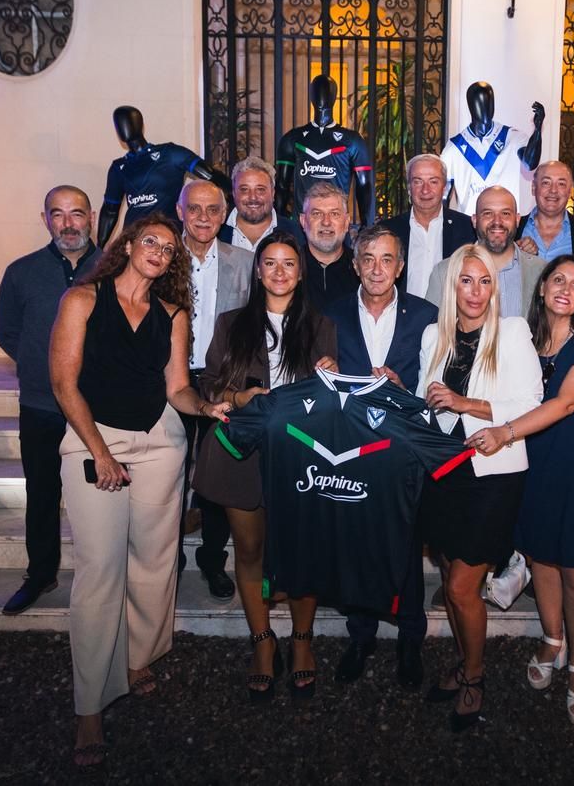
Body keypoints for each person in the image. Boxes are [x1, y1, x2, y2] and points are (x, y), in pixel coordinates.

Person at [48, 215, 229, 767]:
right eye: (150, 241)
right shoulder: (82, 300)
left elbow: (178, 388)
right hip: (93, 440)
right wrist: (100, 452)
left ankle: (138, 656)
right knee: (100, 569)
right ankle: (88, 707)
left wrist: (206, 408)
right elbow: (63, 383)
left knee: (155, 559)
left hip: (159, 442)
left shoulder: (172, 314)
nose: (158, 251)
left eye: (168, 249)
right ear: (127, 245)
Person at [474, 255, 574, 726]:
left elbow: (567, 402)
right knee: (542, 559)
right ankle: (551, 639)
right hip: (535, 467)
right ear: (541, 289)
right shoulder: (525, 344)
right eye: (558, 279)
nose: (565, 288)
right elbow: (503, 397)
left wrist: (504, 433)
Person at [192, 232, 338, 703]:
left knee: (301, 552)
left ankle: (301, 641)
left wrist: (331, 380)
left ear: (301, 272)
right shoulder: (231, 324)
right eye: (270, 263)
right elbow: (209, 386)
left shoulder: (321, 326)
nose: (279, 272)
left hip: (301, 454)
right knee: (250, 549)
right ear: (257, 271)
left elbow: (333, 401)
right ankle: (261, 642)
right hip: (242, 455)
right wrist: (239, 397)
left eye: (288, 263)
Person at [416, 244, 542, 732]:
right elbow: (428, 403)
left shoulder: (512, 332)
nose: (475, 291)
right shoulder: (434, 335)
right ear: (453, 286)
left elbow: (531, 402)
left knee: (461, 586)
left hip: (492, 473)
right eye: (466, 281)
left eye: (484, 281)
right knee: (450, 575)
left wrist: (464, 403)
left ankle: (474, 674)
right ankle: (463, 659)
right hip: (443, 472)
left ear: (494, 288)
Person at [324, 223, 439, 688]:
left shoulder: (426, 316)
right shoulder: (330, 314)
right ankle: (361, 635)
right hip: (350, 449)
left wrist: (404, 389)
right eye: (368, 259)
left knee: (407, 545)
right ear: (354, 265)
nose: (377, 268)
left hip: (404, 449)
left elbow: (437, 383)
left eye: (387, 259)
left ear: (401, 266)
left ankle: (411, 637)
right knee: (355, 540)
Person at [0, 185, 101, 616]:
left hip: (97, 408)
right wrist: (45, 367)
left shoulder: (114, 268)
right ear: (46, 220)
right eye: (58, 214)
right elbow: (8, 333)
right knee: (41, 492)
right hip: (40, 406)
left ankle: (103, 577)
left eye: (77, 213)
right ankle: (40, 573)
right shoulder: (21, 272)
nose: (68, 223)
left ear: (92, 217)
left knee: (99, 495)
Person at [175, 178, 253, 599]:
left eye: (212, 210)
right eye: (194, 208)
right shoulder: (163, 257)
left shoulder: (244, 261)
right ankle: (168, 559)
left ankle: (211, 559)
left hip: (222, 384)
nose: (203, 217)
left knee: (216, 477)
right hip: (171, 380)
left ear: (225, 215)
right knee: (169, 474)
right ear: (180, 212)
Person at [97, 105, 230, 246]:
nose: (124, 126)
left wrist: (233, 196)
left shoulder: (170, 154)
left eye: (129, 121)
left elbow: (209, 174)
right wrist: (99, 246)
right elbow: (109, 211)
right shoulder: (118, 167)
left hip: (169, 238)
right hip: (134, 241)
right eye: (118, 124)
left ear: (140, 123)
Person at [425, 185, 547, 318]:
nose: (497, 221)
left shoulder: (540, 271)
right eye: (488, 213)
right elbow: (432, 326)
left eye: (505, 213)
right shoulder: (444, 272)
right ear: (474, 220)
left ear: (517, 220)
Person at [275, 75, 374, 224]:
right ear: (311, 96)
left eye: (328, 91)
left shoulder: (353, 141)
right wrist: (280, 225)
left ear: (335, 96)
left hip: (337, 226)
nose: (322, 96)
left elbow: (365, 186)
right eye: (318, 91)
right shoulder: (293, 139)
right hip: (301, 227)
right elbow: (281, 185)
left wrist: (366, 226)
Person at [441, 81, 543, 214]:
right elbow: (444, 194)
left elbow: (530, 164)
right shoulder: (454, 147)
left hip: (506, 220)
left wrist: (537, 130)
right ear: (471, 106)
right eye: (480, 102)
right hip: (470, 221)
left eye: (489, 102)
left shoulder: (511, 137)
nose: (486, 108)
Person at [382, 153, 475, 298]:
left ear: (444, 187)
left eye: (433, 182)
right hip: (403, 312)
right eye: (418, 181)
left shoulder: (468, 229)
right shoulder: (387, 231)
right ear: (409, 187)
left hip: (450, 312)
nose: (425, 190)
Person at [513, 161, 574, 261]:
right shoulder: (512, 230)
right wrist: (514, 251)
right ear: (533, 187)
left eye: (561, 184)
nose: (553, 190)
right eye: (546, 183)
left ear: (570, 191)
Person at [218, 156, 304, 252]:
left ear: (273, 193)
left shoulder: (297, 234)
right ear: (234, 193)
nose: (253, 197)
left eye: (260, 190)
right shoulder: (215, 231)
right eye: (244, 190)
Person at [297, 180, 360, 312]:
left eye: (334, 214)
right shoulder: (288, 269)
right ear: (303, 221)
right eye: (317, 214)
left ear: (346, 222)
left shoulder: (362, 270)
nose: (326, 222)